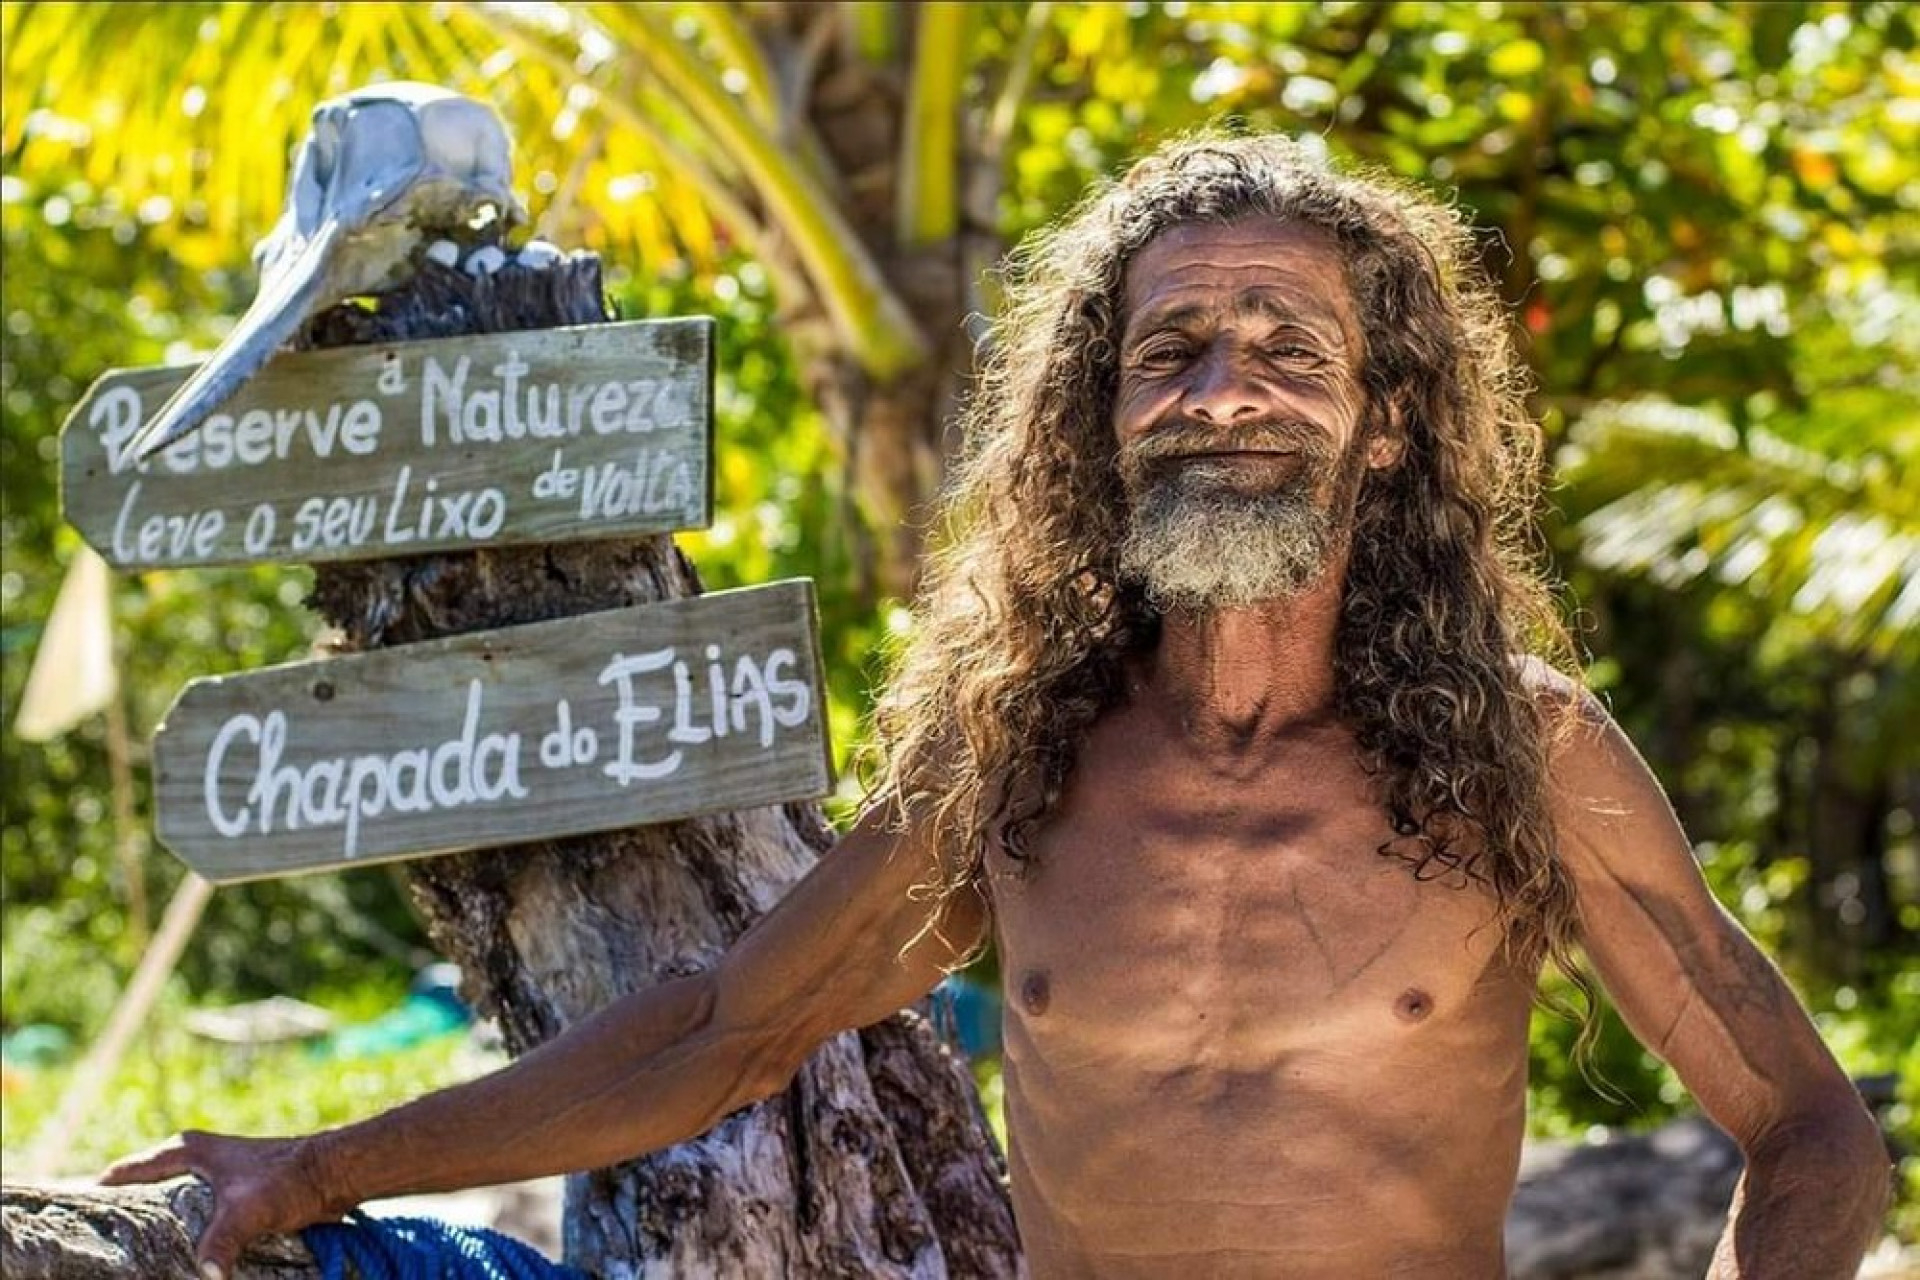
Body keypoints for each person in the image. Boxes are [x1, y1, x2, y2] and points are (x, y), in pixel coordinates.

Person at [105, 134, 1890, 1279]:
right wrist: (313, 1168)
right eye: (1168, 351)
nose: (1221, 397)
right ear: (1094, 418)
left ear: (1392, 417)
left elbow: (1810, 1131)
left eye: (1289, 348)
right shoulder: (1021, 754)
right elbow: (714, 1031)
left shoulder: (1526, 747)